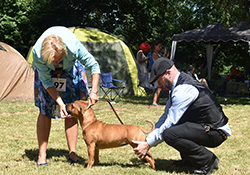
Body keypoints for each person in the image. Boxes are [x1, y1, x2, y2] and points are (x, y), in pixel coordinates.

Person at [132, 57, 231, 175]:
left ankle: (207, 160)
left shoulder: (183, 89)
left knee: (169, 133)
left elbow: (170, 122)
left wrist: (148, 145)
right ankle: (190, 159)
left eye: (158, 80)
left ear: (168, 73)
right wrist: (148, 139)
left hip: (216, 132)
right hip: (206, 127)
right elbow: (166, 116)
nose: (158, 85)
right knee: (173, 127)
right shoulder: (178, 86)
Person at [33, 26, 100, 166]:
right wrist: (60, 103)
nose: (56, 64)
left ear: (64, 52)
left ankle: (72, 153)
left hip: (70, 69)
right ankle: (42, 154)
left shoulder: (73, 46)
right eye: (52, 61)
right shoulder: (37, 53)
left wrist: (93, 91)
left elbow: (94, 65)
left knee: (72, 111)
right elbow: (46, 81)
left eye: (57, 60)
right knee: (45, 110)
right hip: (47, 75)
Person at [148, 41, 169, 106]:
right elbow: (160, 61)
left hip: (160, 70)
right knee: (159, 86)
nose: (160, 48)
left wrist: (166, 54)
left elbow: (164, 59)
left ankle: (157, 101)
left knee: (160, 86)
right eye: (159, 46)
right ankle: (154, 101)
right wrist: (165, 54)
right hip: (157, 71)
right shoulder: (154, 53)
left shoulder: (159, 53)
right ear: (155, 46)